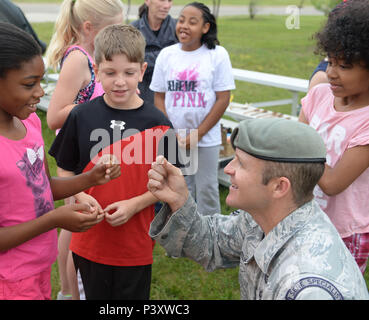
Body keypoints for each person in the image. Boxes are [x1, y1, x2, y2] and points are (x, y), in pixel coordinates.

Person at [0, 23, 120, 300]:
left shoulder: (29, 122)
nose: (41, 92)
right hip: (3, 282)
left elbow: (40, 187)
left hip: (37, 269)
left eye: (41, 82)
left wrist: (90, 178)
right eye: (30, 84)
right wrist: (53, 219)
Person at [148, 118, 369, 300]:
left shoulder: (308, 289)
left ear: (279, 187)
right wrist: (179, 201)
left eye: (241, 163)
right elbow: (211, 243)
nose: (228, 169)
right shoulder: (265, 217)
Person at [49, 24, 176, 300]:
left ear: (142, 71)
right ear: (96, 70)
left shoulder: (160, 123)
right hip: (88, 238)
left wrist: (135, 204)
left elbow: (172, 181)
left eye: (129, 73)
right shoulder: (80, 116)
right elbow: (65, 167)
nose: (120, 81)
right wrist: (80, 194)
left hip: (136, 242)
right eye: (110, 73)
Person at [45, 0, 123, 300]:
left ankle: (71, 290)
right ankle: (68, 292)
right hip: (75, 156)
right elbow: (54, 116)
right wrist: (98, 106)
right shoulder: (78, 59)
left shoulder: (93, 55)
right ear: (89, 28)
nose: (116, 33)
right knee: (75, 227)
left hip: (94, 153)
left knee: (79, 226)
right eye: (111, 27)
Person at [299, 0, 369, 274]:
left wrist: (296, 146)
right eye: (330, 60)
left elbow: (332, 182)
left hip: (345, 233)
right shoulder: (319, 95)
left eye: (346, 65)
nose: (330, 72)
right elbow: (293, 146)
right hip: (305, 218)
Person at [150, 2, 235, 216]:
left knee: (206, 189)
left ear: (205, 27)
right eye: (181, 20)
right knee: (177, 188)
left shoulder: (217, 54)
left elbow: (223, 99)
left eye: (192, 22)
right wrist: (171, 132)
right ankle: (178, 238)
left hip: (205, 138)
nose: (184, 26)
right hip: (174, 137)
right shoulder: (167, 55)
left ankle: (209, 241)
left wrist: (198, 134)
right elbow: (159, 97)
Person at [131, 0, 177, 105]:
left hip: (172, 98)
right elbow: (130, 64)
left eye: (170, 0)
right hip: (141, 98)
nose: (166, 6)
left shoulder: (179, 29)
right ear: (147, 1)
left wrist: (145, 58)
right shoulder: (132, 30)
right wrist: (168, 56)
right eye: (161, 0)